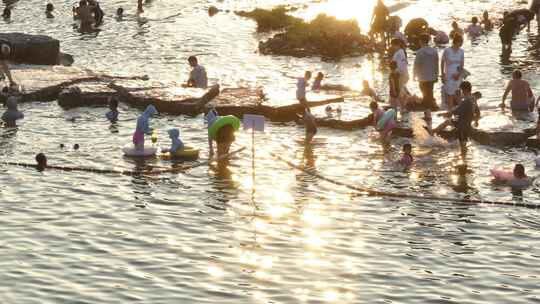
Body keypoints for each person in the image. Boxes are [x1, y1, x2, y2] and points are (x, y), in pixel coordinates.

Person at [435, 81, 475, 156]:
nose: (462, 92)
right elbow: (475, 112)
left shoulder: (466, 101)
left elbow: (455, 111)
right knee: (448, 122)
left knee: (462, 145)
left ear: (465, 90)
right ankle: (465, 159)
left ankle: (464, 159)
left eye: (462, 90)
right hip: (466, 124)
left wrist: (442, 114)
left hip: (462, 125)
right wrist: (475, 120)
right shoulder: (472, 99)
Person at [413, 33, 439, 120]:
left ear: (422, 41)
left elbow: (416, 65)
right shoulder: (434, 51)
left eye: (420, 40)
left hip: (423, 76)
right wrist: (436, 74)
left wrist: (414, 75)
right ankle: (431, 109)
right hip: (431, 76)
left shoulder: (420, 52)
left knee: (425, 94)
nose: (419, 42)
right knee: (429, 93)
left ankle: (428, 113)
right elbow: (436, 64)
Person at [441, 34, 464, 110]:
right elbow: (442, 62)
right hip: (449, 75)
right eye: (460, 42)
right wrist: (443, 74)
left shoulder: (461, 51)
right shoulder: (447, 51)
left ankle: (460, 111)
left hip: (458, 75)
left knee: (458, 93)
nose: (461, 44)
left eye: (462, 42)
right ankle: (450, 111)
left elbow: (462, 64)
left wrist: (458, 74)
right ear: (456, 42)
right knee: (450, 94)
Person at [391, 38, 409, 111]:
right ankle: (403, 106)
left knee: (400, 92)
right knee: (402, 91)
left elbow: (400, 65)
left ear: (396, 45)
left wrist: (396, 73)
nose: (392, 47)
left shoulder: (399, 53)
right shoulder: (401, 52)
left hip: (400, 74)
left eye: (392, 45)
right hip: (402, 73)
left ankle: (403, 107)